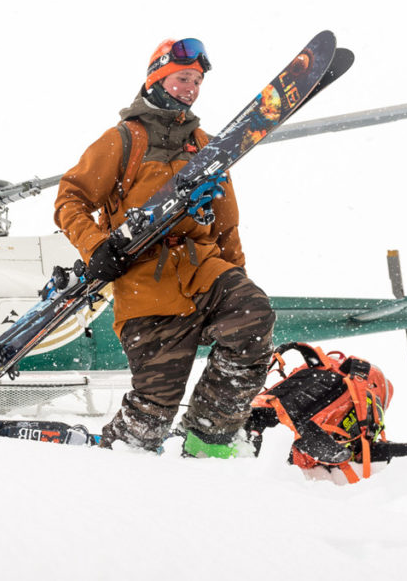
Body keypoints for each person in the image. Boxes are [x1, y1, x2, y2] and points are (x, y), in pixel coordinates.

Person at [53, 38, 275, 457]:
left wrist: (237, 280)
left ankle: (207, 438)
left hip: (203, 269)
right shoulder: (123, 140)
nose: (191, 89)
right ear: (157, 79)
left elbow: (226, 227)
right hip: (145, 286)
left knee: (253, 317)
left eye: (197, 81)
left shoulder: (208, 146)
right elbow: (70, 199)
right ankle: (114, 461)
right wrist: (95, 247)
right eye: (182, 79)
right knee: (151, 415)